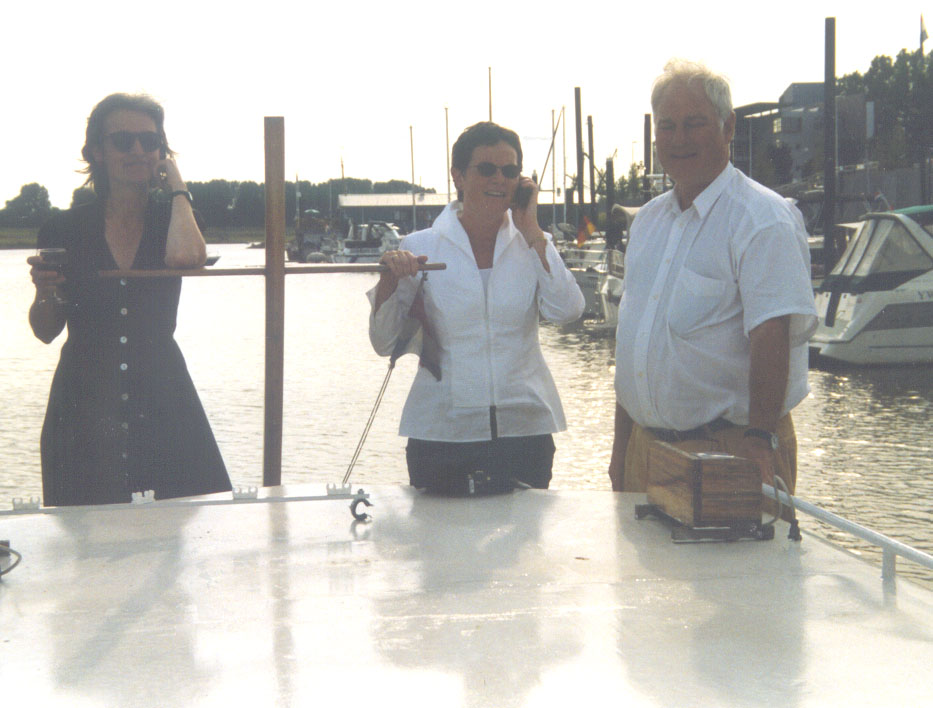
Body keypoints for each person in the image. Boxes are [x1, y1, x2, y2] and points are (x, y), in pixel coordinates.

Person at [608, 60, 817, 497]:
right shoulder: (646, 222)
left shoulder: (763, 220)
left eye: (694, 124)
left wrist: (760, 441)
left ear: (728, 127)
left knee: (737, 569)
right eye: (668, 127)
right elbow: (634, 340)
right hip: (644, 452)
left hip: (734, 451)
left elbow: (772, 336)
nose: (679, 139)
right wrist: (620, 445)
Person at [27, 93, 231, 506]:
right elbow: (46, 331)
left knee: (180, 537)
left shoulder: (175, 219)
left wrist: (177, 187)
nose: (138, 150)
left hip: (164, 400)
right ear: (97, 152)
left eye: (149, 141)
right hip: (84, 404)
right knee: (87, 542)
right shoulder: (63, 228)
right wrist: (45, 291)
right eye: (123, 141)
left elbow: (187, 258)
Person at [369, 121, 585, 494]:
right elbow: (384, 342)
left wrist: (532, 230)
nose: (499, 179)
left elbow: (567, 310)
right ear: (458, 176)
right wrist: (390, 281)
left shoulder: (535, 243)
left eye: (510, 171)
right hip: (441, 433)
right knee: (441, 549)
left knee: (525, 551)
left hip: (525, 431)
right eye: (486, 169)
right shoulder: (421, 246)